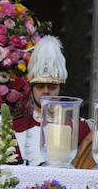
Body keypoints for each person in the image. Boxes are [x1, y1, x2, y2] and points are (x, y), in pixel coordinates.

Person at [14, 36, 90, 166]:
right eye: (40, 86)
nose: (46, 91)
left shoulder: (82, 128)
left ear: (60, 89)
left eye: (52, 87)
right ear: (31, 89)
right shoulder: (14, 127)